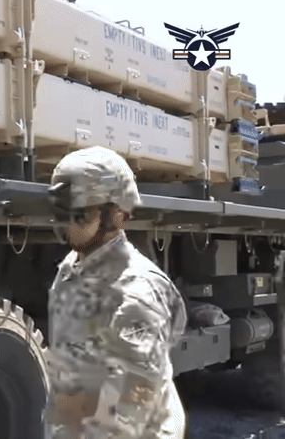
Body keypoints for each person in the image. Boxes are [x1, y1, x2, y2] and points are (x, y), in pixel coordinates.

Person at [43, 146, 187, 439]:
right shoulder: (71, 269)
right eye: (63, 213)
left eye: (80, 216)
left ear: (117, 216)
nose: (68, 225)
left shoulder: (137, 290)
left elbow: (134, 404)